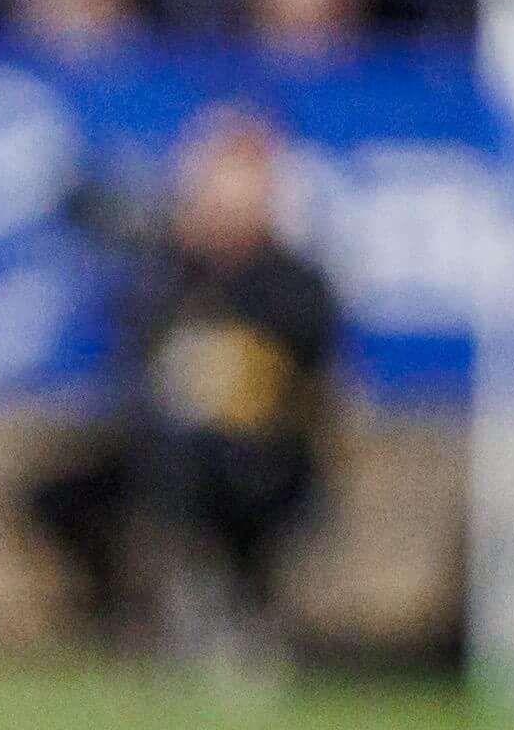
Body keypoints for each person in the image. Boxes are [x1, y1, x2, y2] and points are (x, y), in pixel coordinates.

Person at [28, 106, 340, 664]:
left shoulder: (293, 280)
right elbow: (139, 360)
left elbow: (297, 381)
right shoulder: (170, 270)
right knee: (68, 489)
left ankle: (228, 615)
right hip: (165, 448)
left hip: (260, 459)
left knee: (204, 466)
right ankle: (127, 618)